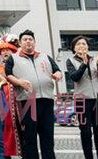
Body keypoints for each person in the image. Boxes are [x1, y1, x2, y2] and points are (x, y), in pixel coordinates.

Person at [5, 30, 62, 159]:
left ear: (34, 42)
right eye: (25, 39)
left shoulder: (45, 56)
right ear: (20, 43)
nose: (28, 41)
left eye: (30, 39)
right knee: (29, 136)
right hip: (27, 101)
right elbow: (8, 75)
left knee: (47, 135)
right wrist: (19, 82)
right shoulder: (13, 58)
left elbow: (57, 70)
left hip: (46, 100)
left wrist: (58, 75)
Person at [67, 36, 98, 159]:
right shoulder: (70, 61)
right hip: (82, 101)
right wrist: (84, 64)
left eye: (84, 44)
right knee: (85, 131)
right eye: (78, 44)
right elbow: (75, 77)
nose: (82, 46)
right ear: (74, 48)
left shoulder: (95, 59)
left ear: (88, 47)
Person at [0, 38, 21, 159]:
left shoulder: (19, 65)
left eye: (8, 50)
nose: (5, 52)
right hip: (3, 103)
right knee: (5, 130)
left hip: (19, 101)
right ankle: (6, 155)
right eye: (3, 50)